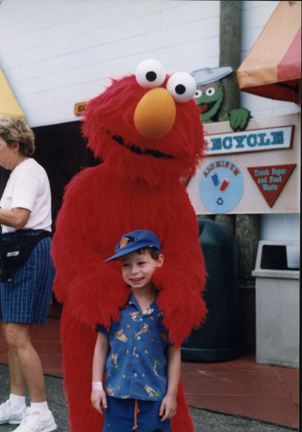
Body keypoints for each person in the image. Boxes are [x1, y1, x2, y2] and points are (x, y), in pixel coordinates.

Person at [91, 229, 182, 432]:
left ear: (159, 261)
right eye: (126, 265)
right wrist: (96, 386)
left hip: (155, 401)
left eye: (141, 263)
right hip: (115, 398)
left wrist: (171, 395)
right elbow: (101, 345)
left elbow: (174, 351)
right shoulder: (113, 304)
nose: (133, 271)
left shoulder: (168, 308)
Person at [0, 117, 57, 432]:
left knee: (16, 335)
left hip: (27, 250)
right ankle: (17, 403)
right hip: (15, 251)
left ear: (14, 144)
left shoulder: (27, 172)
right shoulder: (18, 174)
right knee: (11, 333)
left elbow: (20, 218)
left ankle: (41, 413)